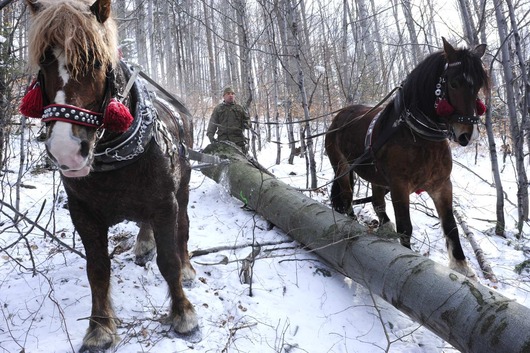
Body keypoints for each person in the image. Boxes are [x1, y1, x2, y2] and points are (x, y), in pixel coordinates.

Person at [207, 86, 250, 153]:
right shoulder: (218, 109)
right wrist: (211, 137)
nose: (231, 95)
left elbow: (248, 121)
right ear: (224, 96)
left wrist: (247, 124)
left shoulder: (240, 108)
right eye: (228, 94)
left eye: (232, 94)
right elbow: (212, 124)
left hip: (238, 143)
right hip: (223, 143)